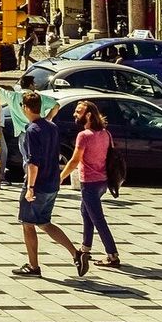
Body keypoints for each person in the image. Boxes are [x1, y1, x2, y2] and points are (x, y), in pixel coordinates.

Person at [15, 91, 85, 277]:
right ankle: (75, 253)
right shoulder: (51, 127)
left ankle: (33, 266)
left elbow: (33, 163)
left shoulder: (32, 131)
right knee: (45, 222)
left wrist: (30, 188)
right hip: (53, 183)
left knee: (28, 223)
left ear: (25, 108)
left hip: (37, 185)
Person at [59, 100, 120, 268]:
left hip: (90, 183)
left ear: (88, 115)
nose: (74, 114)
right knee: (86, 212)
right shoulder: (105, 133)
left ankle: (112, 255)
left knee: (98, 219)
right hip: (103, 182)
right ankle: (85, 248)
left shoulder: (84, 136)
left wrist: (61, 177)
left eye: (78, 112)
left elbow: (74, 160)